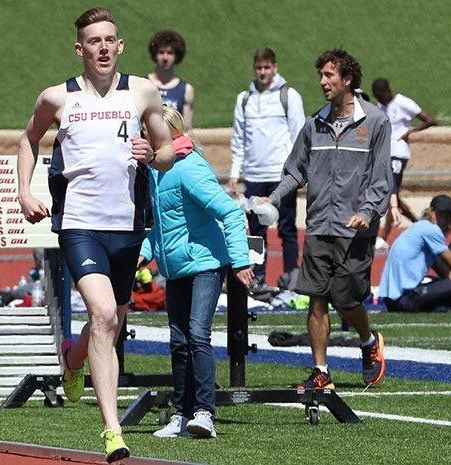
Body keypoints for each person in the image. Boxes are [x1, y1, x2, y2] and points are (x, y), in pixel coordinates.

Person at [16, 7, 174, 462]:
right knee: (104, 313)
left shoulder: (143, 93)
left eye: (110, 40)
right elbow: (28, 139)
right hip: (78, 224)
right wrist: (24, 191)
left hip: (127, 226)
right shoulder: (58, 98)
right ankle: (112, 430)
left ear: (119, 46)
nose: (103, 48)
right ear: (80, 49)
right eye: (94, 41)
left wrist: (153, 154)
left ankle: (72, 357)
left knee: (111, 320)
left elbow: (167, 149)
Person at [267, 49, 390, 390]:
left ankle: (368, 340)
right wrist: (272, 198)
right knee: (317, 297)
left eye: (329, 76)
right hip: (320, 225)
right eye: (321, 75)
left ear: (347, 79)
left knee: (346, 299)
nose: (322, 82)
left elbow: (381, 179)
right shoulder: (313, 124)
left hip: (356, 230)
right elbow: (295, 172)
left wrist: (366, 213)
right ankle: (321, 371)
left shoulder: (376, 122)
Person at [141, 107, 253, 439]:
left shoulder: (189, 169)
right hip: (175, 268)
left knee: (197, 335)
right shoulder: (156, 171)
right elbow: (161, 227)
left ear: (166, 133)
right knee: (178, 341)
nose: (143, 137)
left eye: (148, 131)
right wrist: (145, 255)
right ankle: (181, 413)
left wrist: (240, 261)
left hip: (204, 264)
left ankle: (205, 413)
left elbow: (231, 212)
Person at [227, 47, 305, 288]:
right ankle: (257, 277)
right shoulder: (244, 99)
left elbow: (299, 134)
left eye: (267, 67)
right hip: (254, 175)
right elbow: (238, 138)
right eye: (259, 68)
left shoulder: (289, 96)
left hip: (280, 176)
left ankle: (290, 277)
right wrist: (234, 173)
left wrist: (296, 172)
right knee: (256, 231)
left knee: (287, 229)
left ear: (275, 68)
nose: (263, 72)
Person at [379, 195, 451, 312]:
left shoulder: (419, 229)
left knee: (449, 287)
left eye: (447, 217)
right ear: (431, 212)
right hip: (406, 298)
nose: (444, 221)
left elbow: (447, 274)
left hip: (394, 301)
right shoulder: (431, 229)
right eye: (441, 215)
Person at [370, 78, 437, 250]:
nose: (378, 100)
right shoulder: (380, 107)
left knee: (391, 193)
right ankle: (418, 224)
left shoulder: (403, 102)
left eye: (380, 96)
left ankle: (384, 237)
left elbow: (430, 119)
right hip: (385, 155)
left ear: (387, 91)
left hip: (398, 154)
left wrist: (412, 131)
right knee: (391, 195)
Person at [146, 30, 194, 130]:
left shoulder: (186, 90)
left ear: (176, 56)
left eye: (170, 53)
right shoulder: (144, 84)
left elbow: (187, 129)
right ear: (155, 54)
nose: (165, 57)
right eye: (161, 52)